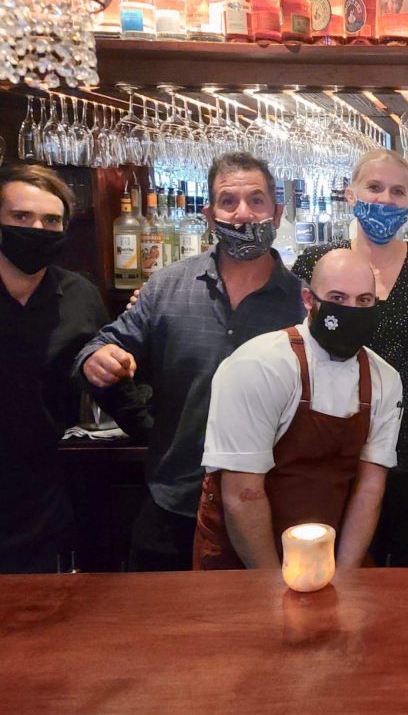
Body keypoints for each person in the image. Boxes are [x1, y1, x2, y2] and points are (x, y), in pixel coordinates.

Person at [76, 152, 305, 571]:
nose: (243, 214)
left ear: (276, 212)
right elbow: (106, 345)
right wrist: (98, 358)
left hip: (269, 505)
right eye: (228, 202)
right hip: (173, 500)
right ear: (209, 216)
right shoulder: (166, 286)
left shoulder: (302, 302)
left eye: (256, 200)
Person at [293, 150, 408, 567]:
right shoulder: (317, 262)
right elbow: (295, 352)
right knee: (335, 574)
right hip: (335, 450)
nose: (385, 199)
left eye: (397, 191)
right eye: (374, 187)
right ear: (351, 194)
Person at [194, 250, 402, 569]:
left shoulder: (384, 379)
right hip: (242, 556)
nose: (351, 310)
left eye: (364, 301)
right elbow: (243, 494)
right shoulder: (259, 366)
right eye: (337, 298)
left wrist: (345, 575)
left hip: (329, 552)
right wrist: (272, 585)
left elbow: (369, 489)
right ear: (308, 299)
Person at [0, 166, 109, 572]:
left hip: (45, 492)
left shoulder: (79, 295)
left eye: (51, 220)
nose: (37, 229)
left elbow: (106, 378)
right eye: (21, 217)